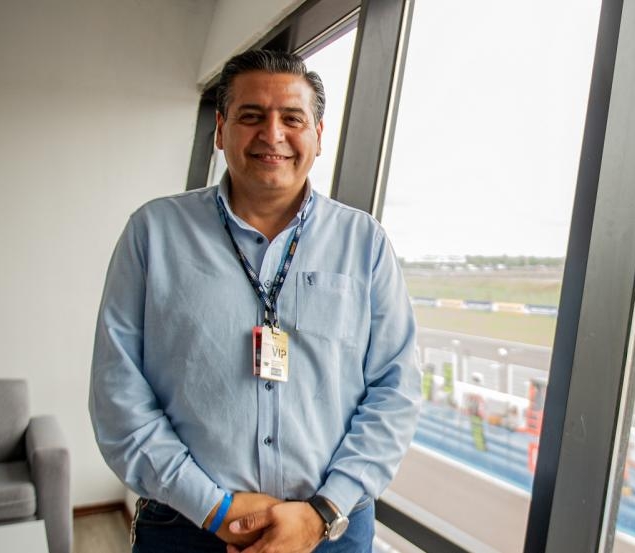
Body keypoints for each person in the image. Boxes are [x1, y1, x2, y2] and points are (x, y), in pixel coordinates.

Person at [89, 49, 421, 553]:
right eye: (251, 116)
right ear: (221, 131)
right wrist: (213, 507)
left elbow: (395, 389)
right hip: (186, 526)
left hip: (330, 530)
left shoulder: (364, 242)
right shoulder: (153, 233)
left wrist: (323, 511)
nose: (272, 134)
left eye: (292, 118)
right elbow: (118, 391)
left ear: (318, 135)